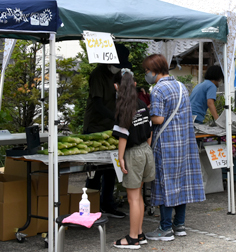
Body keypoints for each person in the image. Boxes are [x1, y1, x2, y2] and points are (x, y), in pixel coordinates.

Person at [142, 54, 205, 241]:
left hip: (166, 143)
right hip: (185, 143)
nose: (146, 74)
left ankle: (165, 228)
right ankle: (180, 225)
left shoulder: (158, 89)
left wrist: (145, 113)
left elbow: (159, 119)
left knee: (165, 184)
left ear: (154, 70)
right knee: (181, 183)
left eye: (147, 71)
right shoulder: (181, 86)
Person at [83, 43, 131, 219]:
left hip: (111, 127)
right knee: (94, 171)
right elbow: (97, 104)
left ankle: (108, 204)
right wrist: (116, 117)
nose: (118, 68)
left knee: (111, 168)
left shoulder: (117, 74)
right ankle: (92, 206)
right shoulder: (97, 75)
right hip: (95, 126)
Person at [112, 69, 155, 249]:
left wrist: (121, 158)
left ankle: (132, 238)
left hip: (133, 153)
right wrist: (146, 149)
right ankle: (139, 234)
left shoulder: (124, 108)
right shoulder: (142, 105)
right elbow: (150, 132)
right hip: (146, 151)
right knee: (139, 196)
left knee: (132, 198)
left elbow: (123, 137)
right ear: (135, 85)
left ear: (116, 87)